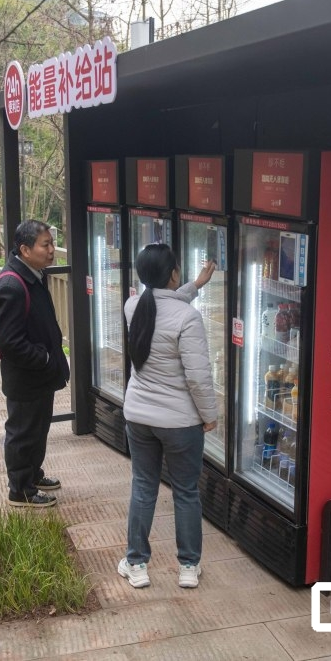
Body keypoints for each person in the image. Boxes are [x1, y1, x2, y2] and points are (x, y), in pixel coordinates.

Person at [118, 244, 217, 589]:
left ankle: (136, 563)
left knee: (143, 487)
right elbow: (198, 376)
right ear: (173, 273)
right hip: (180, 423)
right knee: (186, 492)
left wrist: (195, 285)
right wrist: (209, 415)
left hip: (139, 417)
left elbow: (161, 303)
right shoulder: (187, 319)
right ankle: (188, 567)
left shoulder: (134, 306)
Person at [0, 219, 70, 508]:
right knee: (23, 433)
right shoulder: (13, 284)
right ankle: (20, 490)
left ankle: (33, 475)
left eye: (51, 243)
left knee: (38, 428)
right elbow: (10, 342)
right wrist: (46, 358)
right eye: (45, 245)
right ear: (25, 249)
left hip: (40, 375)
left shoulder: (33, 274)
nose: (52, 251)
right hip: (26, 377)